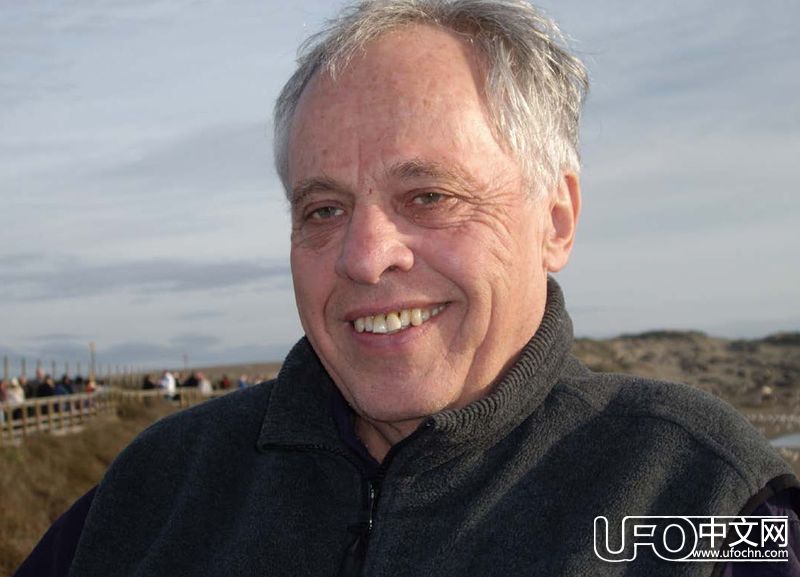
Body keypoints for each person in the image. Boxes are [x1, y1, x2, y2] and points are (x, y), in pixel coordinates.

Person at [14, 2, 799, 576]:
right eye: (323, 209)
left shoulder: (706, 499)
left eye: (429, 196)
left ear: (556, 219)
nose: (364, 257)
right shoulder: (157, 489)